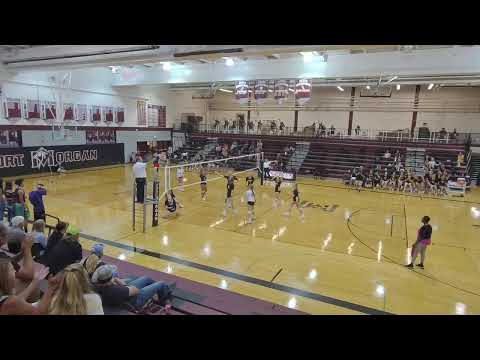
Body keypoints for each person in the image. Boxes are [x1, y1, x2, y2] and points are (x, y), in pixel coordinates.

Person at [92, 264, 174, 311]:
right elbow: (136, 291)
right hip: (134, 301)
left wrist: (117, 282)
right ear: (110, 278)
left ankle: (157, 292)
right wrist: (119, 281)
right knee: (161, 283)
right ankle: (166, 299)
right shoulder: (116, 290)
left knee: (146, 278)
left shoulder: (97, 286)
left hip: (125, 296)